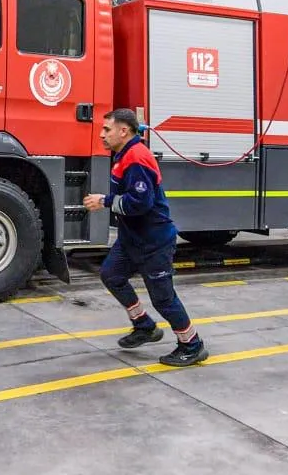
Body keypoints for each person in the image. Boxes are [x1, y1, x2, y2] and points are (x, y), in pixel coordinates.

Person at [83, 109, 207, 367]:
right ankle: (144, 326)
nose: (102, 135)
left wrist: (104, 201)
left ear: (123, 131)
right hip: (132, 239)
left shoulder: (137, 157)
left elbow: (141, 203)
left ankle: (192, 345)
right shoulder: (123, 154)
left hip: (154, 241)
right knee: (111, 275)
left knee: (163, 298)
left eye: (107, 129)